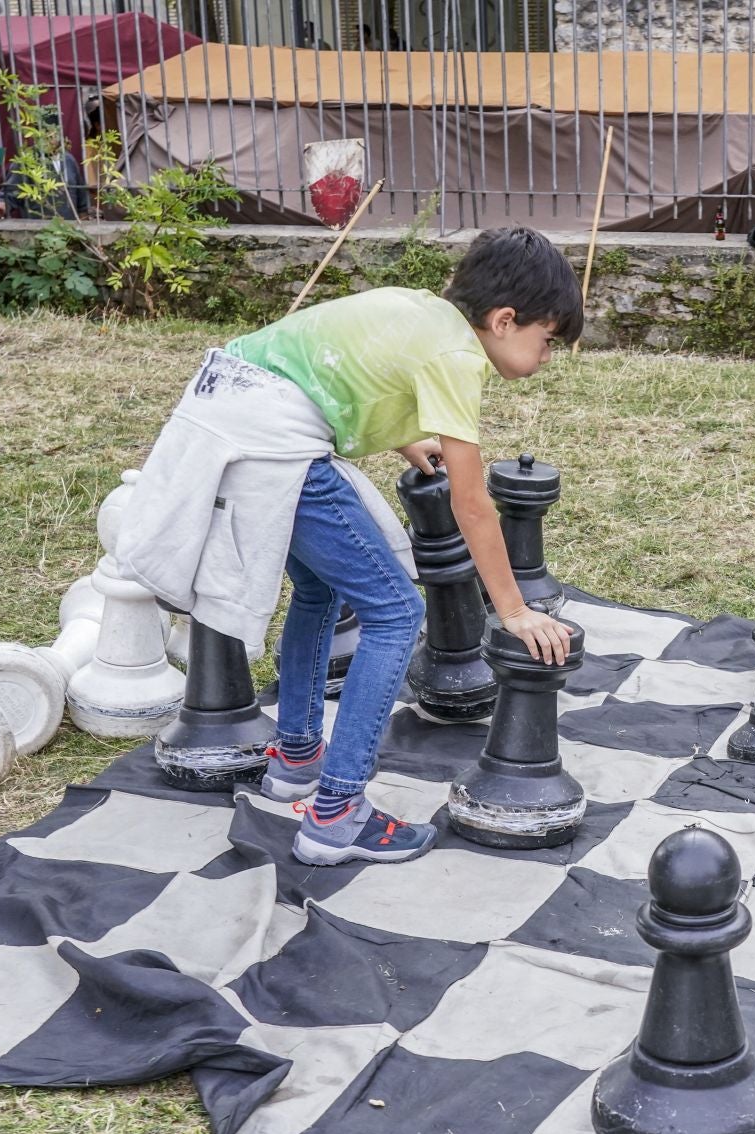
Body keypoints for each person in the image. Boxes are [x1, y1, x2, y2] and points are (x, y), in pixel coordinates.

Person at [115, 228, 580, 867]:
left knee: (320, 586)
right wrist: (514, 610)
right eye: (547, 340)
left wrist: (405, 441)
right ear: (505, 320)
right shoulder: (457, 358)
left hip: (227, 414)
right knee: (396, 612)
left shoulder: (417, 308)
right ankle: (337, 813)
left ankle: (297, 757)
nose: (547, 357)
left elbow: (345, 372)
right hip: (271, 442)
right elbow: (471, 504)